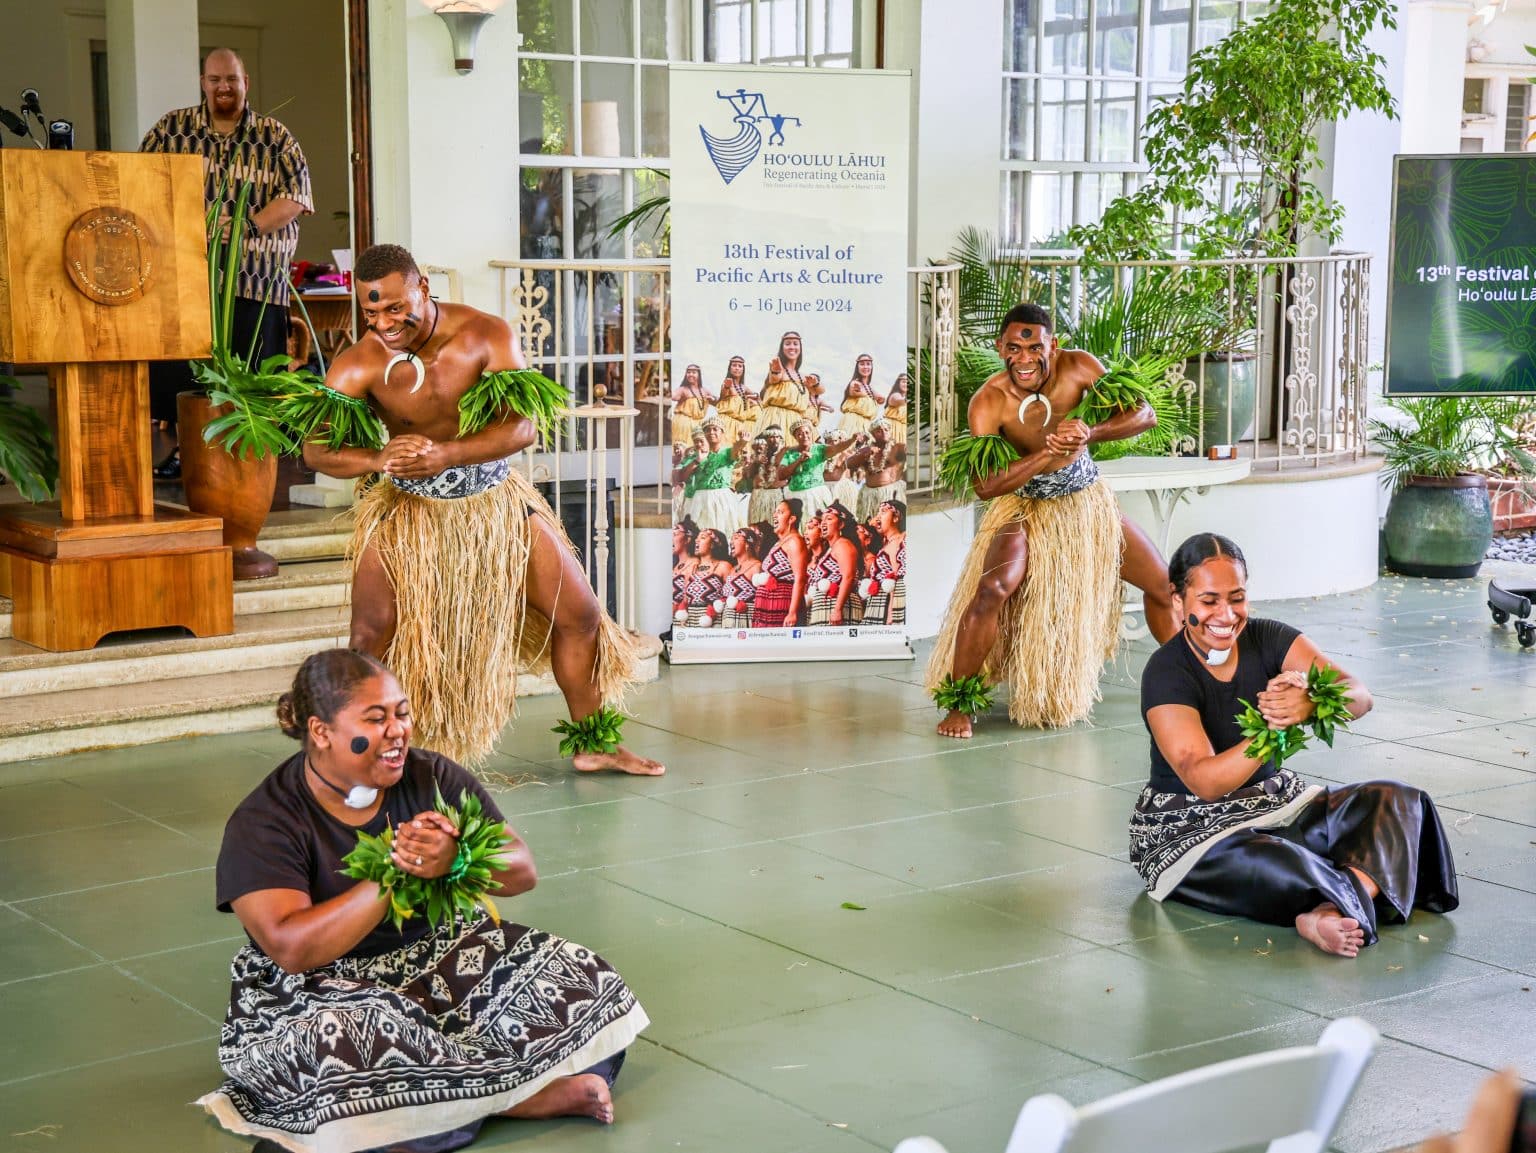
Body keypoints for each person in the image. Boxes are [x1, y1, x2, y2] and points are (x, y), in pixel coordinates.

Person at [197, 650, 649, 1151]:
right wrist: (395, 872)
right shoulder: (266, 819)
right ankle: (516, 1097)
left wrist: (456, 856)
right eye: (376, 718)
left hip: (440, 957)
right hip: (320, 990)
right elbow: (290, 947)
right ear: (320, 732)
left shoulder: (429, 776)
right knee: (351, 1041)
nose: (397, 731)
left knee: (580, 978)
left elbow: (523, 870)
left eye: (402, 713)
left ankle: (449, 1101)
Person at [299, 244, 662, 776]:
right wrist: (380, 457)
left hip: (494, 505)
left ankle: (593, 743)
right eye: (371, 313)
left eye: (394, 308)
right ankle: (358, 760)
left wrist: (446, 453)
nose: (383, 324)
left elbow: (523, 427)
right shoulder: (361, 362)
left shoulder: (484, 335)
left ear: (423, 286)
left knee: (580, 616)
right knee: (368, 636)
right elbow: (316, 449)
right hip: (410, 512)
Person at [1131, 533, 1458, 957]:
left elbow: (1360, 695)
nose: (1227, 614)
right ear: (1178, 602)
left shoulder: (1269, 638)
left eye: (1237, 598)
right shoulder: (1166, 672)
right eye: (1209, 601)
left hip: (1278, 804)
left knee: (1397, 802)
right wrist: (1273, 729)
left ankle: (1326, 905)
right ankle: (1351, 891)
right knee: (1282, 863)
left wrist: (1309, 702)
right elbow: (1205, 781)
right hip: (1193, 833)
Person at [926, 303, 1177, 739]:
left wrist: (1089, 432)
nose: (1023, 358)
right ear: (999, 348)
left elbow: (1144, 414)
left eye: (1033, 346)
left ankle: (1195, 680)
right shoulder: (989, 400)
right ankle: (960, 704)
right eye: (1013, 347)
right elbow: (985, 486)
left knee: (1161, 584)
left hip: (1087, 504)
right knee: (992, 589)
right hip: (1024, 508)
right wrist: (1046, 454)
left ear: (1052, 345)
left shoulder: (1079, 367)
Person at [141, 48, 313, 480]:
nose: (223, 87)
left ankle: (249, 462)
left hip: (255, 280)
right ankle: (184, 453)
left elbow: (297, 196)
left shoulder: (275, 136)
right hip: (189, 282)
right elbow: (139, 182)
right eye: (215, 79)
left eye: (231, 80)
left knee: (253, 373)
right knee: (183, 375)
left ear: (245, 83)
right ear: (203, 82)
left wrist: (248, 228)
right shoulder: (172, 129)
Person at [772, 418, 862, 525]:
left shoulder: (820, 449)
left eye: (807, 432)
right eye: (800, 434)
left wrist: (852, 439)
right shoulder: (790, 453)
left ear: (811, 433)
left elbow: (836, 448)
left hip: (816, 495)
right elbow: (781, 475)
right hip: (795, 497)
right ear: (795, 437)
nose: (805, 435)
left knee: (819, 526)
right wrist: (798, 461)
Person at [671, 417, 747, 534]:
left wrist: (742, 442)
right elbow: (681, 477)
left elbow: (735, 451)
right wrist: (696, 461)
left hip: (722, 499)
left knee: (724, 533)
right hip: (700, 500)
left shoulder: (726, 452)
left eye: (715, 429)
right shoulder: (694, 455)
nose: (711, 432)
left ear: (722, 432)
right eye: (707, 430)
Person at [753, 499, 809, 628]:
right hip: (767, 607)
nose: (775, 515)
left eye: (780, 512)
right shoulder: (779, 543)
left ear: (792, 519)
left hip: (783, 604)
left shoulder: (795, 541)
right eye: (775, 512)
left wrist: (792, 612)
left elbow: (800, 578)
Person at [807, 503, 860, 628]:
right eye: (823, 519)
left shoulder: (843, 545)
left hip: (838, 607)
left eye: (829, 519)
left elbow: (848, 576)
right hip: (825, 608)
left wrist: (837, 609)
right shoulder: (831, 549)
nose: (823, 523)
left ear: (841, 524)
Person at [849, 419, 906, 522]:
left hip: (890, 494)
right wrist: (864, 454)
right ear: (873, 434)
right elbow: (849, 463)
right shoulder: (866, 450)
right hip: (869, 497)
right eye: (879, 431)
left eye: (886, 429)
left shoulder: (899, 448)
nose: (884, 432)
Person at [756, 332, 813, 434]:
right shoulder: (779, 370)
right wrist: (775, 372)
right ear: (782, 348)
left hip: (796, 422)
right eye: (787, 344)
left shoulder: (803, 377)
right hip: (776, 419)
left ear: (800, 347)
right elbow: (774, 378)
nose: (792, 347)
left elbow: (819, 391)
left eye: (795, 343)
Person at [863, 499, 907, 626]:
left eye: (883, 512)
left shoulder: (898, 540)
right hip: (877, 604)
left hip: (886, 605)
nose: (878, 517)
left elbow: (894, 579)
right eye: (878, 513)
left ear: (896, 518)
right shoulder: (886, 544)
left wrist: (891, 613)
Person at [677, 528, 733, 628]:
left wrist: (712, 611)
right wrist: (682, 613)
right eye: (697, 538)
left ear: (712, 545)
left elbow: (731, 596)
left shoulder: (723, 566)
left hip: (714, 622)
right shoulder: (691, 568)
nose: (696, 540)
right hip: (690, 621)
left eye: (702, 538)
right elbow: (685, 599)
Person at [720, 525, 765, 629]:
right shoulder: (731, 570)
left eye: (736, 538)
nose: (731, 542)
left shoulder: (757, 566)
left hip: (746, 621)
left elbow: (762, 599)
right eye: (731, 539)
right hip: (727, 621)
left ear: (747, 544)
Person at [836, 353, 885, 436]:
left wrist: (880, 398)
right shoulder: (854, 383)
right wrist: (862, 391)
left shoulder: (869, 388)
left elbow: (881, 400)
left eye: (868, 364)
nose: (865, 367)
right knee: (851, 446)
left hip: (866, 424)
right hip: (852, 422)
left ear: (871, 367)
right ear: (857, 367)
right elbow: (852, 391)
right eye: (862, 364)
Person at [714, 355, 760, 444]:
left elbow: (757, 396)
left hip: (739, 424)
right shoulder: (726, 383)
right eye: (734, 365)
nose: (737, 368)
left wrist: (751, 397)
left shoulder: (743, 387)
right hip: (726, 422)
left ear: (743, 369)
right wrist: (727, 387)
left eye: (740, 366)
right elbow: (723, 395)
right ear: (730, 368)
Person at [746, 428, 787, 525]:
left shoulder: (785, 454)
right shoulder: (757, 456)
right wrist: (755, 462)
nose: (775, 440)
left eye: (777, 437)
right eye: (771, 437)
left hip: (777, 495)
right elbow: (748, 475)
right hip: (758, 495)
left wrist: (782, 483)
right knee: (758, 525)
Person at [670, 364, 711, 445]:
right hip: (683, 423)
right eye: (688, 372)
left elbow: (717, 402)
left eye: (693, 372)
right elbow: (673, 396)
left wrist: (713, 399)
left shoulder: (704, 391)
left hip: (698, 425)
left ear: (699, 374)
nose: (691, 374)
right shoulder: (683, 389)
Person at [883, 374, 909, 445]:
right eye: (903, 382)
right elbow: (899, 400)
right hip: (892, 428)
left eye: (908, 382)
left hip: (902, 430)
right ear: (898, 383)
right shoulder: (894, 395)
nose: (906, 384)